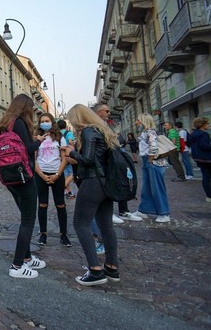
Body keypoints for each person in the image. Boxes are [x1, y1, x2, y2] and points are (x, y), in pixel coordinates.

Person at [61, 104, 120, 286]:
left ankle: (95, 270)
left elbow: (87, 159)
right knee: (106, 225)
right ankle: (111, 267)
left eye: (72, 119)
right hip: (106, 182)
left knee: (80, 223)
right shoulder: (102, 130)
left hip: (93, 182)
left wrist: (72, 153)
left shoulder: (88, 132)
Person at [0, 95, 46, 278]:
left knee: (26, 215)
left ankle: (26, 258)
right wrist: (39, 140)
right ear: (26, 108)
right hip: (24, 176)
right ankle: (17, 266)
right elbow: (28, 148)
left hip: (10, 177)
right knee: (28, 220)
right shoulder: (19, 123)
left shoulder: (5, 124)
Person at [92, 103, 141, 223]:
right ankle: (108, 213)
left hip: (115, 157)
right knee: (108, 185)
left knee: (121, 181)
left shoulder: (107, 124)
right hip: (105, 160)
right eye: (107, 111)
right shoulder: (94, 126)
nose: (109, 113)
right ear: (99, 112)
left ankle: (124, 211)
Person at [33, 113, 72, 247]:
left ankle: (64, 235)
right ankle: (43, 234)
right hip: (41, 174)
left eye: (47, 120)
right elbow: (34, 159)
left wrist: (57, 174)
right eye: (42, 121)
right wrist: (42, 175)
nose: (44, 123)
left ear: (52, 122)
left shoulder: (60, 138)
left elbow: (64, 158)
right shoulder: (37, 138)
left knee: (60, 204)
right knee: (42, 204)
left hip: (57, 173)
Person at [133, 114, 171, 223]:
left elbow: (153, 147)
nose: (136, 122)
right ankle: (144, 210)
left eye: (138, 120)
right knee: (147, 187)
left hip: (153, 161)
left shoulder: (150, 132)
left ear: (143, 121)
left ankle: (164, 213)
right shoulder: (146, 132)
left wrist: (150, 160)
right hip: (148, 160)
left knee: (157, 188)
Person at [188, 117, 211, 203]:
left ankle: (209, 197)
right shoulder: (203, 134)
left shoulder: (194, 134)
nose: (209, 125)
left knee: (206, 177)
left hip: (199, 159)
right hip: (209, 158)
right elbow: (204, 146)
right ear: (202, 125)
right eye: (207, 123)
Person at [57, 120, 76, 199]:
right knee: (73, 173)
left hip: (59, 155)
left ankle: (68, 191)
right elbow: (70, 142)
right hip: (68, 155)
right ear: (65, 126)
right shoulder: (68, 133)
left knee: (65, 174)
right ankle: (62, 188)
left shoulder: (57, 134)